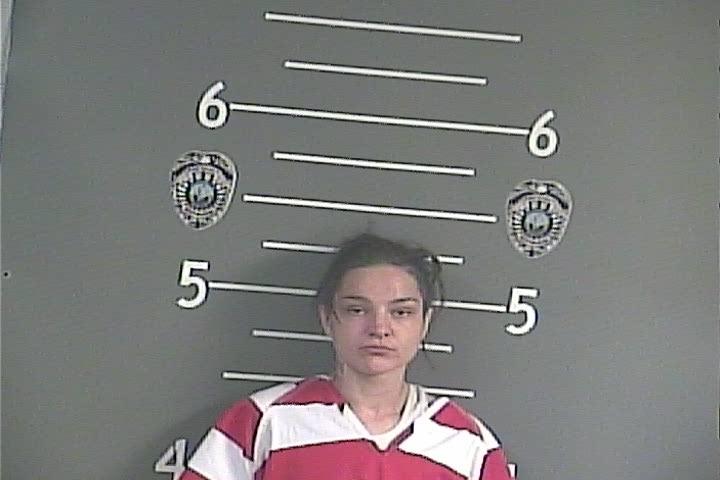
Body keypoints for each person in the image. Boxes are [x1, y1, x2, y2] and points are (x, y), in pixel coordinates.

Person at [180, 233, 514, 480]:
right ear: (328, 318)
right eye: (357, 309)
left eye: (401, 312)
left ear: (424, 323)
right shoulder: (263, 421)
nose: (379, 328)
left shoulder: (468, 443)